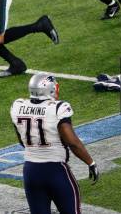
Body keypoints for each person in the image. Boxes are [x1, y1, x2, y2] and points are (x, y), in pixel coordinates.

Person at [11, 74, 99, 214]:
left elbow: (22, 141)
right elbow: (73, 142)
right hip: (56, 171)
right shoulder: (58, 108)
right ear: (51, 89)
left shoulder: (18, 106)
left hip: (30, 171)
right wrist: (90, 162)